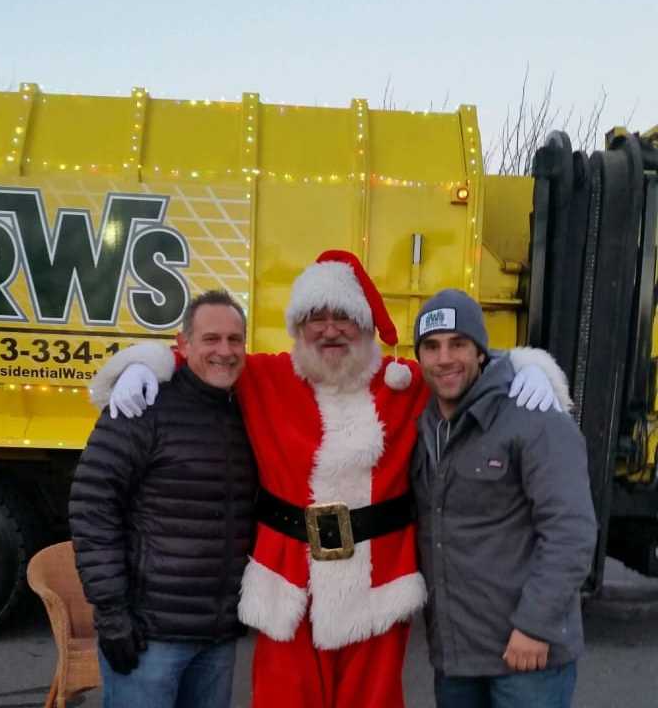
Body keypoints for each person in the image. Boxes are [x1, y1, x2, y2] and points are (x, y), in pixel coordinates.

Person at [93, 250, 566, 708]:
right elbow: (206, 357)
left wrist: (525, 368)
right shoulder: (267, 376)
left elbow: (463, 366)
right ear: (299, 326)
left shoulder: (404, 383)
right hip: (288, 580)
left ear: (364, 324)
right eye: (316, 317)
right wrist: (143, 363)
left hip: (379, 584)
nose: (330, 329)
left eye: (343, 315)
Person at [69, 290, 257, 708]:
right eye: (211, 339)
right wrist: (112, 611)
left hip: (218, 636)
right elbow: (91, 506)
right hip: (150, 635)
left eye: (234, 340)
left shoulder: (246, 410)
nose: (224, 351)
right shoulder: (143, 404)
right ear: (184, 344)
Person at [411, 289, 597, 708]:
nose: (444, 359)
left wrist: (535, 626)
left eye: (459, 344)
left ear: (481, 352)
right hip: (458, 658)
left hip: (526, 657)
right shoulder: (424, 425)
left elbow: (571, 531)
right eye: (432, 347)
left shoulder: (534, 418)